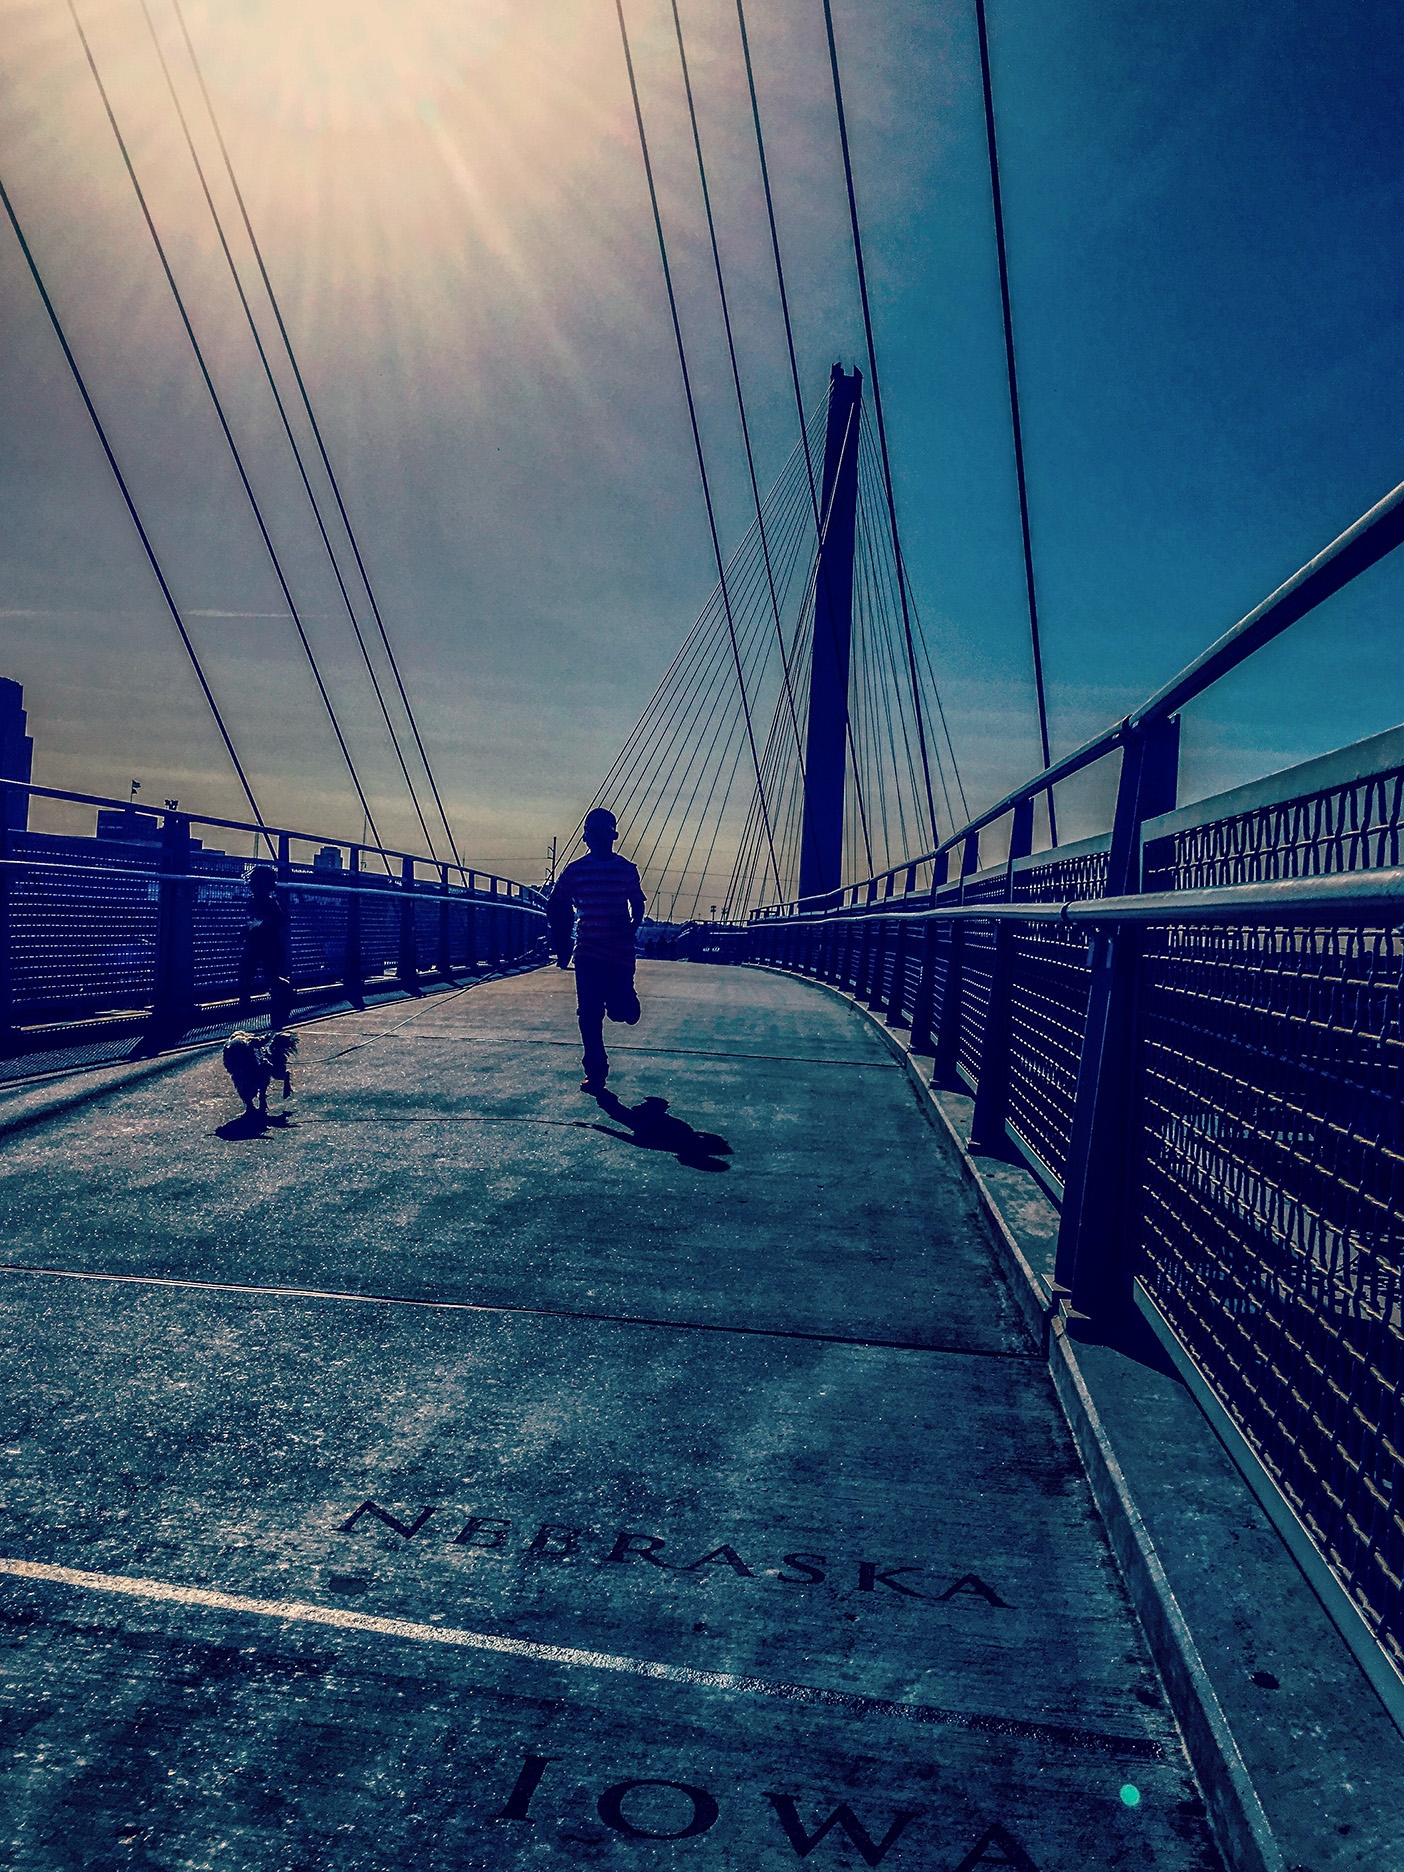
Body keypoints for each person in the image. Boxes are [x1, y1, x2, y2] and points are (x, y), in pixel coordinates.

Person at [547, 808, 646, 1090]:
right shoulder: (576, 871)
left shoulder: (626, 869)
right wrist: (563, 944)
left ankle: (628, 1004)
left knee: (617, 1011)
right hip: (588, 952)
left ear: (612, 837)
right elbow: (556, 903)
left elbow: (637, 903)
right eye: (596, 835)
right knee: (588, 1013)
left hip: (619, 953)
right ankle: (596, 1072)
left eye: (605, 835)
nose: (601, 840)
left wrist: (631, 928)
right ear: (588, 839)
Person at [237, 863, 293, 1032]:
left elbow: (281, 920)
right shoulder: (259, 901)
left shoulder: (271, 903)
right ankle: (246, 1006)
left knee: (268, 977)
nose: (251, 884)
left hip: (269, 945)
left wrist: (260, 923)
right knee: (246, 974)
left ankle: (287, 992)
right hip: (258, 944)